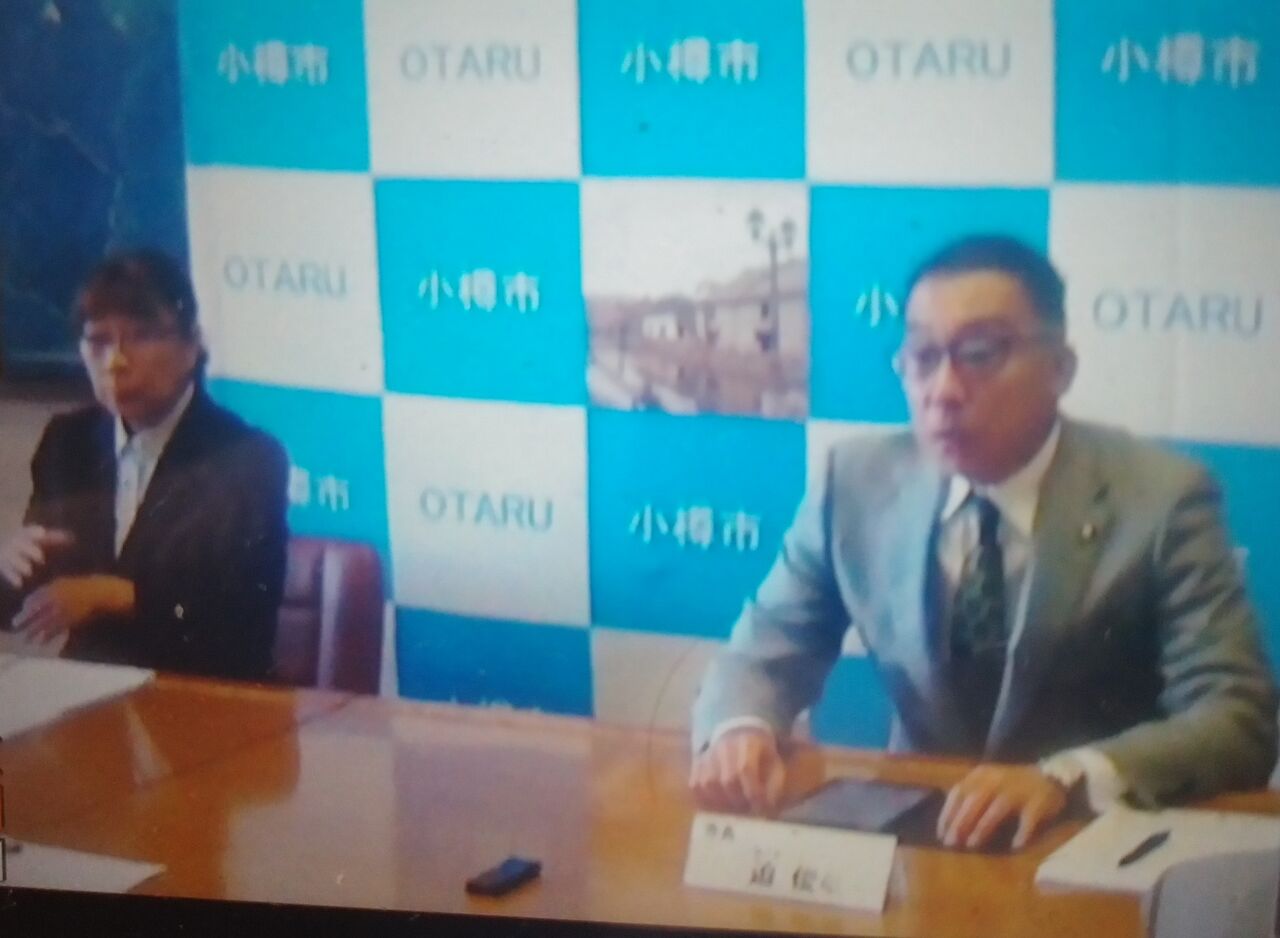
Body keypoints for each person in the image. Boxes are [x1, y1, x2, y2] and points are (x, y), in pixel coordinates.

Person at [689, 234, 1278, 850]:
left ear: (1060, 369)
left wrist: (1066, 777)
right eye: (923, 356)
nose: (943, 390)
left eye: (979, 354)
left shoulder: (1162, 497)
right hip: (917, 831)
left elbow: (1235, 715)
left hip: (1086, 840)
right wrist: (739, 727)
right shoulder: (854, 482)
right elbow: (769, 642)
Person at [0, 249, 289, 682]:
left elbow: (237, 620)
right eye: (98, 341)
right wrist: (7, 566)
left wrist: (115, 595)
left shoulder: (247, 458)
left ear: (191, 347)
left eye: (141, 337)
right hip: (91, 689)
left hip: (205, 694)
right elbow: (32, 602)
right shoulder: (68, 443)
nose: (115, 362)